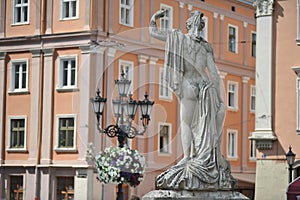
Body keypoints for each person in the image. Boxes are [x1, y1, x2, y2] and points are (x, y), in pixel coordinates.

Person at [149, 10, 236, 190]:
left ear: (188, 25)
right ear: (201, 28)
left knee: (186, 122)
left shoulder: (178, 38)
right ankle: (205, 156)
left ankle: (188, 158)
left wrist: (155, 18)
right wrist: (218, 97)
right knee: (206, 125)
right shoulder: (205, 47)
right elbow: (213, 73)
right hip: (205, 87)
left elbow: (154, 32)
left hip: (189, 85)